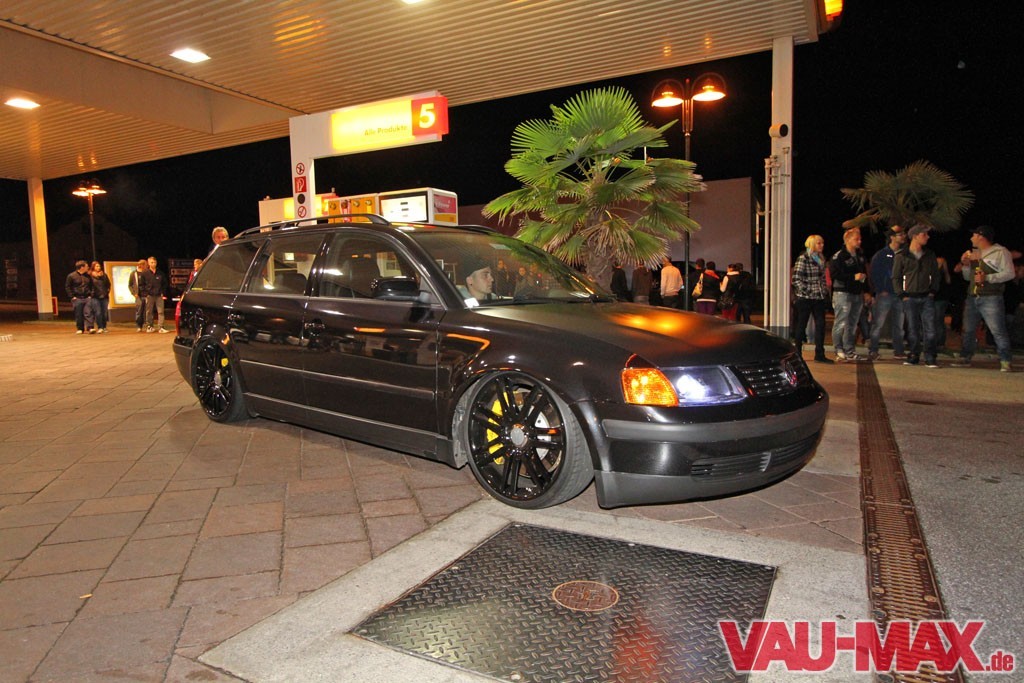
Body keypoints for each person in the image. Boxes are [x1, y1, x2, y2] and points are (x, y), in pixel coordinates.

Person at [952, 225, 1015, 371]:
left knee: (997, 330)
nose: (971, 238)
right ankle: (965, 357)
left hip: (991, 297)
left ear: (981, 236)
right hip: (972, 296)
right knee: (968, 330)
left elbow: (1010, 273)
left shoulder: (1000, 252)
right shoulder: (974, 253)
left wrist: (988, 277)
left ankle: (1005, 360)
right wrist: (965, 265)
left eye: (973, 235)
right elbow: (968, 277)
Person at [892, 225, 940, 367]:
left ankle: (930, 357)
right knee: (912, 329)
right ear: (915, 236)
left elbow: (936, 275)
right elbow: (896, 277)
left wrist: (932, 291)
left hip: (926, 297)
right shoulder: (902, 255)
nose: (927, 237)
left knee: (930, 329)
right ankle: (914, 355)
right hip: (910, 297)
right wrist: (901, 294)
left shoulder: (929, 255)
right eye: (924, 234)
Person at [867, 225, 908, 361]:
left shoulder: (905, 254)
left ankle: (899, 351)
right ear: (892, 237)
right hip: (885, 294)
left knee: (899, 325)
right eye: (900, 235)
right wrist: (880, 289)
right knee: (878, 323)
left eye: (903, 234)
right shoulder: (882, 255)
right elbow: (874, 273)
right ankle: (873, 350)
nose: (903, 237)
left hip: (899, 294)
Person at [829, 227, 869, 362]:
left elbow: (864, 274)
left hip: (857, 293)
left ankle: (849, 350)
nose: (859, 241)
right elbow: (834, 274)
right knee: (840, 322)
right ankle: (838, 349)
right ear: (848, 240)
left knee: (852, 324)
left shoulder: (860, 256)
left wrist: (866, 291)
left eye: (860, 239)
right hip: (842, 293)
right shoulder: (839, 256)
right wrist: (853, 277)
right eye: (856, 239)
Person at [792, 235, 832, 363]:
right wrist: (807, 291)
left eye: (822, 243)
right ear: (812, 244)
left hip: (818, 297)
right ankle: (797, 354)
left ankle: (819, 354)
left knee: (821, 325)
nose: (822, 245)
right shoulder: (803, 258)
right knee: (801, 325)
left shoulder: (820, 259)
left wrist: (823, 290)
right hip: (805, 298)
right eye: (819, 243)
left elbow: (822, 278)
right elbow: (796, 279)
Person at [65, 260, 96, 334]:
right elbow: (67, 287)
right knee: (78, 314)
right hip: (77, 298)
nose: (88, 267)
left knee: (88, 312)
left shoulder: (88, 276)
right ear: (82, 267)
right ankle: (80, 328)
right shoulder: (71, 276)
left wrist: (91, 295)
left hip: (87, 297)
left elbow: (92, 286)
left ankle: (90, 327)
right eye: (86, 266)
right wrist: (72, 296)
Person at [128, 259, 154, 332]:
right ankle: (139, 326)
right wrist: (134, 293)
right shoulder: (134, 273)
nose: (142, 266)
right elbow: (130, 285)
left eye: (144, 264)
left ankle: (149, 326)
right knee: (139, 311)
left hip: (148, 295)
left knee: (149, 311)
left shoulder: (148, 273)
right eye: (141, 264)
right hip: (138, 295)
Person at [933, 256, 953, 351]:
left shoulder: (943, 274)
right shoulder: (933, 272)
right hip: (934, 298)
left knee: (938, 320)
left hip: (940, 298)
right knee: (934, 321)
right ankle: (935, 342)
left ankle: (940, 343)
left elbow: (948, 282)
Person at [147, 256, 169, 333]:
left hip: (159, 295)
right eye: (152, 262)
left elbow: (165, 284)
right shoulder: (145, 273)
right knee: (149, 311)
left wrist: (163, 292)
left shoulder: (160, 273)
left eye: (155, 262)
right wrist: (145, 293)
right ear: (148, 263)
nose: (153, 264)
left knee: (161, 311)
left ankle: (161, 327)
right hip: (149, 295)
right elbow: (142, 284)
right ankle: (150, 326)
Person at [88, 261, 111, 333]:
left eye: (99, 266)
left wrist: (107, 291)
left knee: (104, 313)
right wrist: (91, 293)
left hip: (104, 296)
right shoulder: (90, 276)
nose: (98, 267)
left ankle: (104, 327)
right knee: (98, 312)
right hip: (95, 297)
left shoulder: (104, 275)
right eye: (97, 266)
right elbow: (89, 286)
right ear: (93, 267)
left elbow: (108, 284)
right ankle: (100, 327)